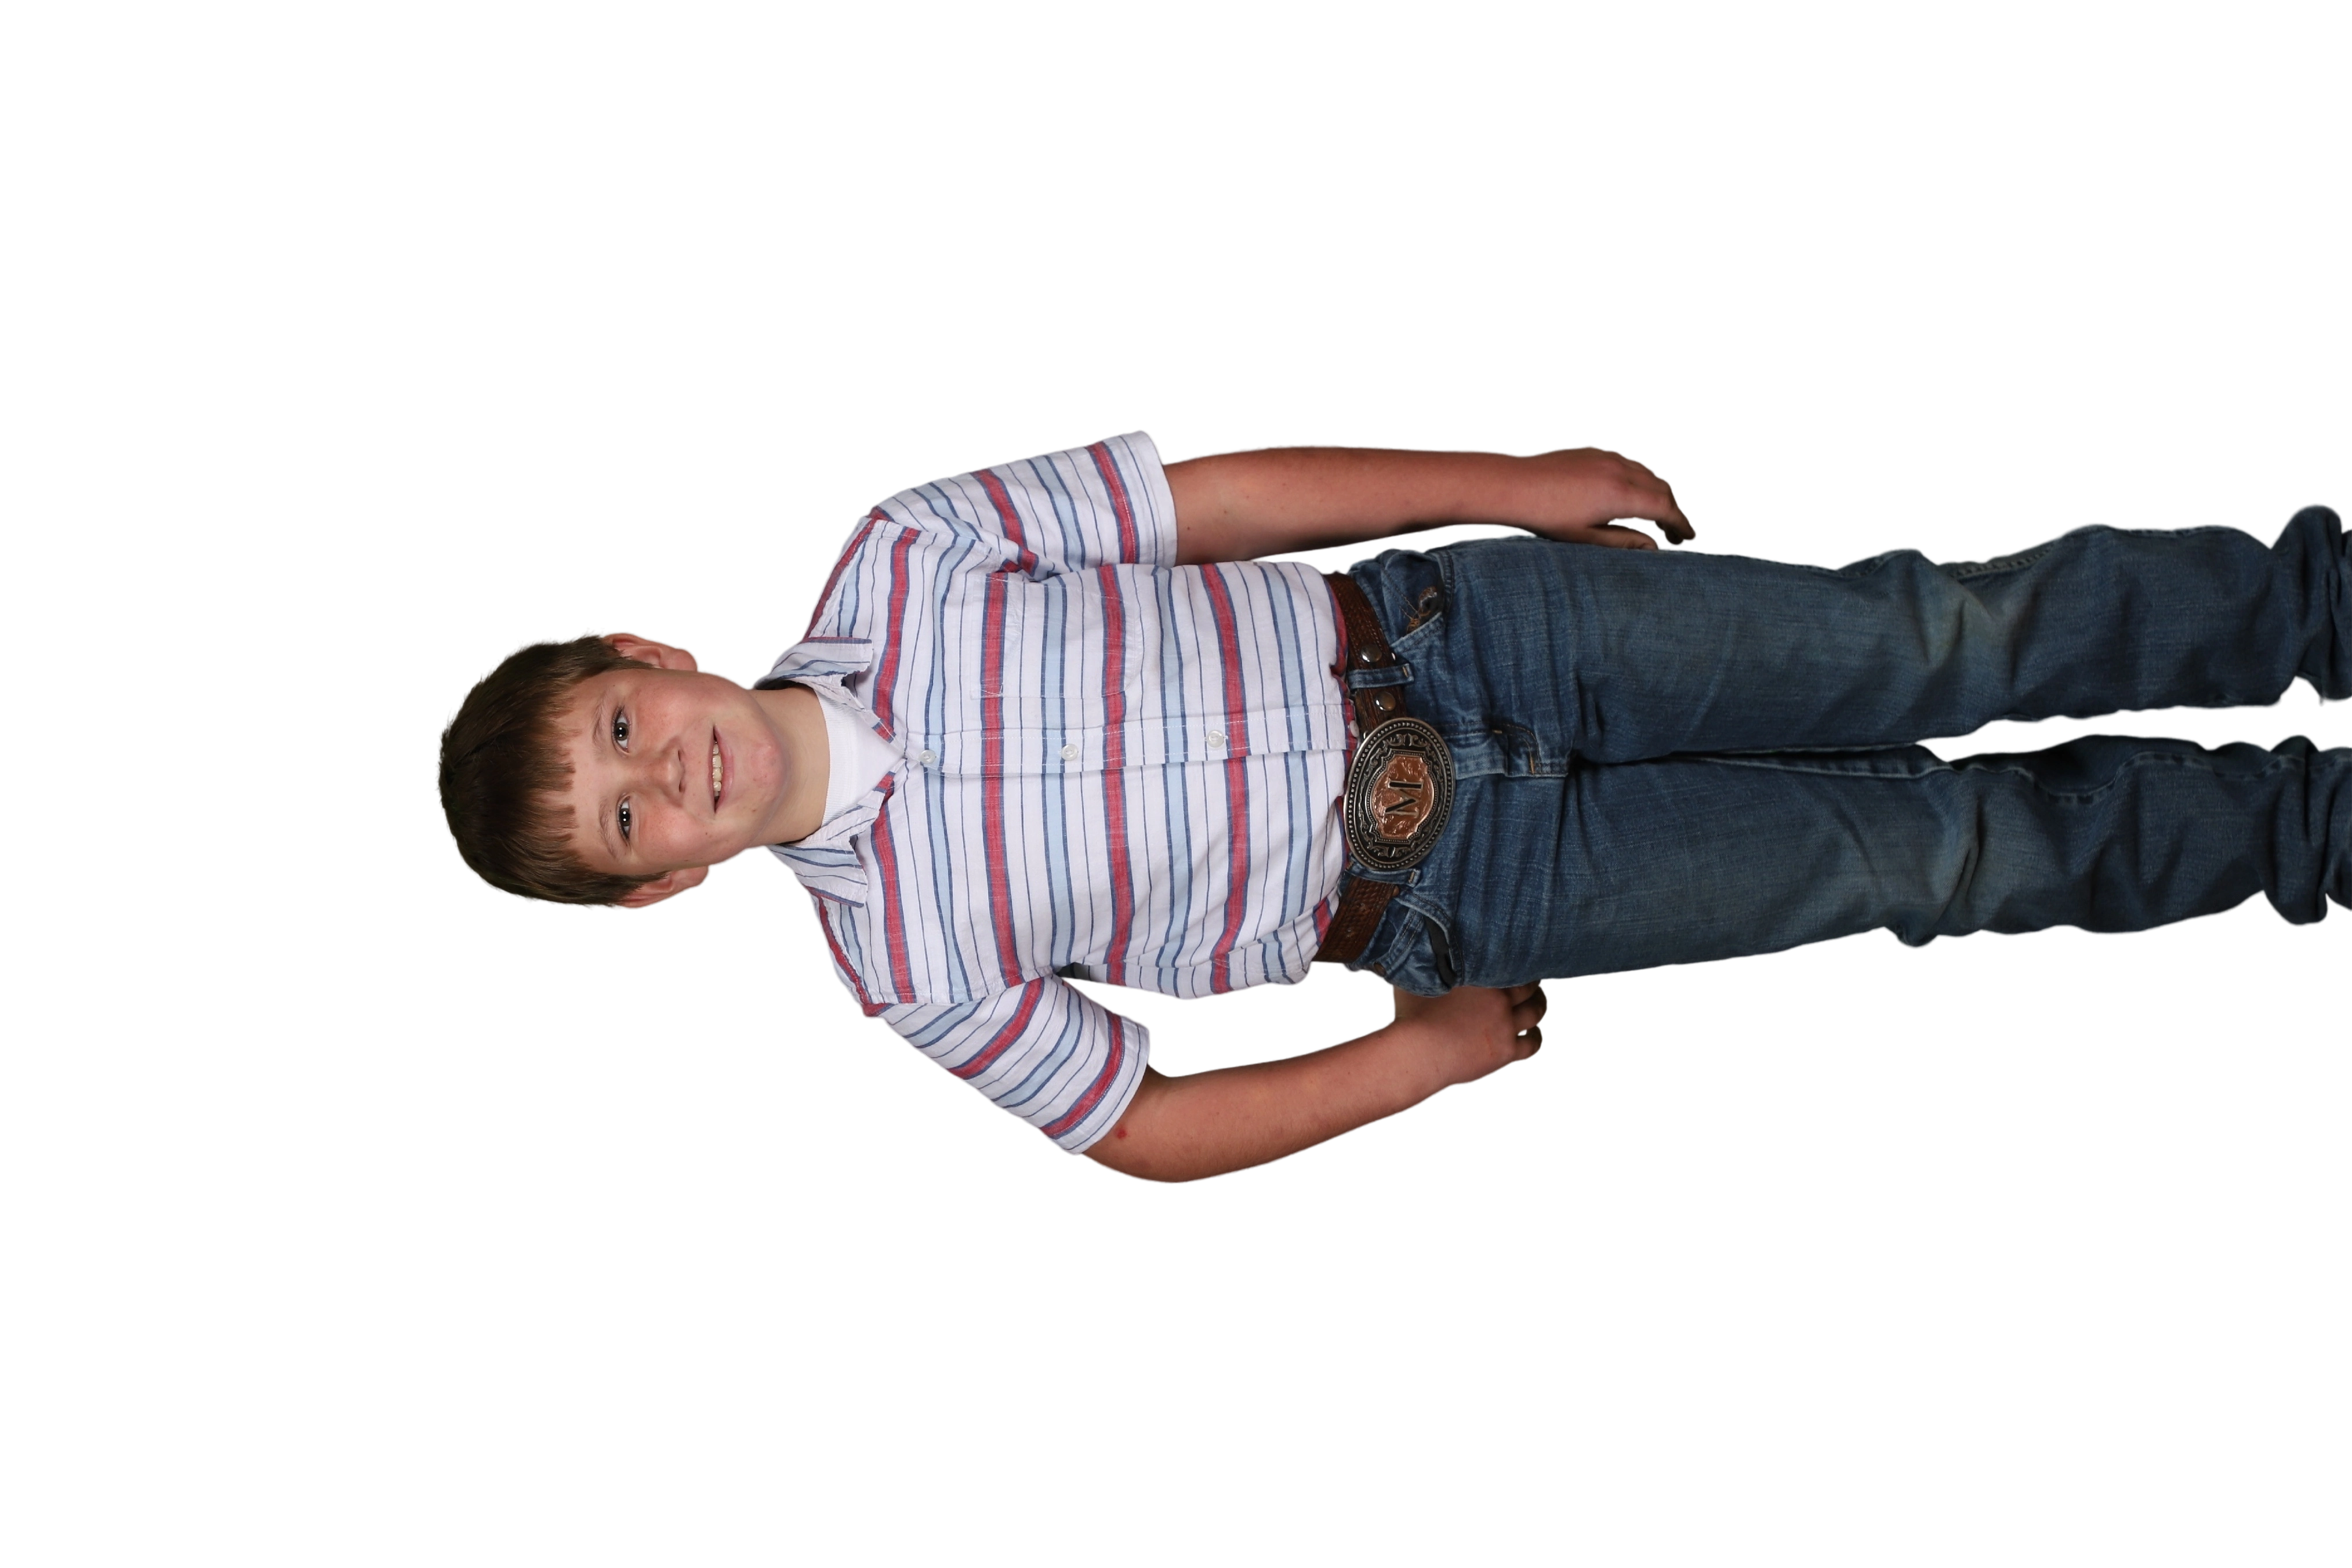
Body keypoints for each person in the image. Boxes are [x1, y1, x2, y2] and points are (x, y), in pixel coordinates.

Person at [432, 430, 2352, 1185]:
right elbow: (1139, 1131)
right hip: (1472, 891)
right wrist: (1415, 1058)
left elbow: (1219, 502)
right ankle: (2312, 834)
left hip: (1479, 636)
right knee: (1927, 850)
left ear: (647, 650)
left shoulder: (910, 555)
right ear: (662, 893)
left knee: (1926, 642)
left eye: (623, 725)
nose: (662, 773)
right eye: (627, 822)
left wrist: (1508, 486)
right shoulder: (906, 969)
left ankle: (2307, 607)